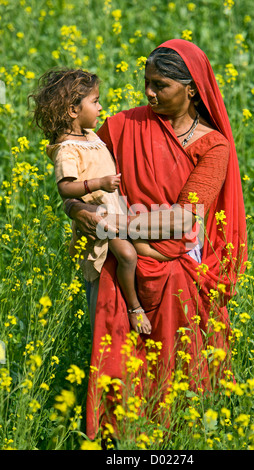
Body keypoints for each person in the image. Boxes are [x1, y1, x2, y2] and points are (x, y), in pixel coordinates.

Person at [65, 39, 248, 442]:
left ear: (192, 89)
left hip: (179, 274)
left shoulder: (212, 144)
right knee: (119, 375)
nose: (148, 92)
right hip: (119, 271)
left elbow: (185, 218)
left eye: (160, 85)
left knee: (177, 378)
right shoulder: (121, 126)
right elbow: (78, 189)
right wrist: (80, 212)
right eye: (146, 82)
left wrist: (112, 225)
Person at [29, 68, 152, 335]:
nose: (100, 107)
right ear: (73, 110)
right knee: (129, 255)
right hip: (101, 219)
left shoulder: (90, 136)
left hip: (118, 213)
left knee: (145, 249)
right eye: (95, 102)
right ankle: (134, 308)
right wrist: (99, 183)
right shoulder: (66, 149)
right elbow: (65, 188)